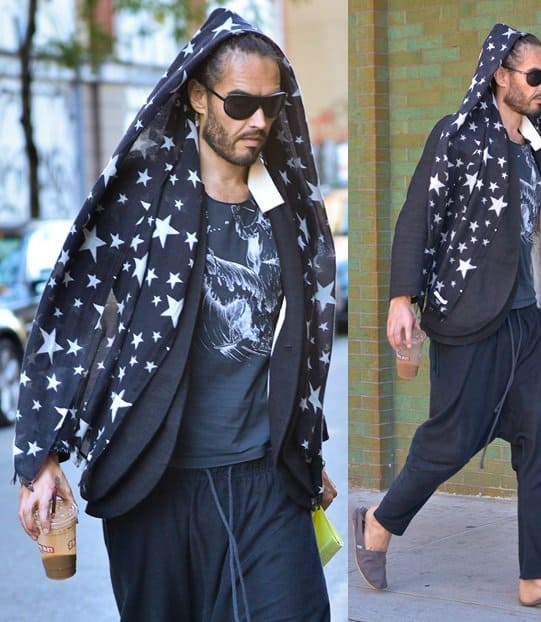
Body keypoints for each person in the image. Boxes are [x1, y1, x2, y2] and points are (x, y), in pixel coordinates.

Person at [15, 9, 337, 622]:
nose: (259, 121)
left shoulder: (286, 209)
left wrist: (306, 444)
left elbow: (306, 338)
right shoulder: (141, 198)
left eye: (271, 105)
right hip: (153, 488)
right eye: (240, 103)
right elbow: (71, 316)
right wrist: (41, 455)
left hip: (266, 485)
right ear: (197, 95)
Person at [353, 23, 541, 616]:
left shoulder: (535, 145)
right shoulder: (458, 136)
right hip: (469, 316)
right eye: (534, 76)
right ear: (501, 75)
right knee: (450, 441)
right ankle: (378, 525)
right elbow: (418, 215)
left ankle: (536, 578)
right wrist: (401, 297)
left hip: (527, 323)